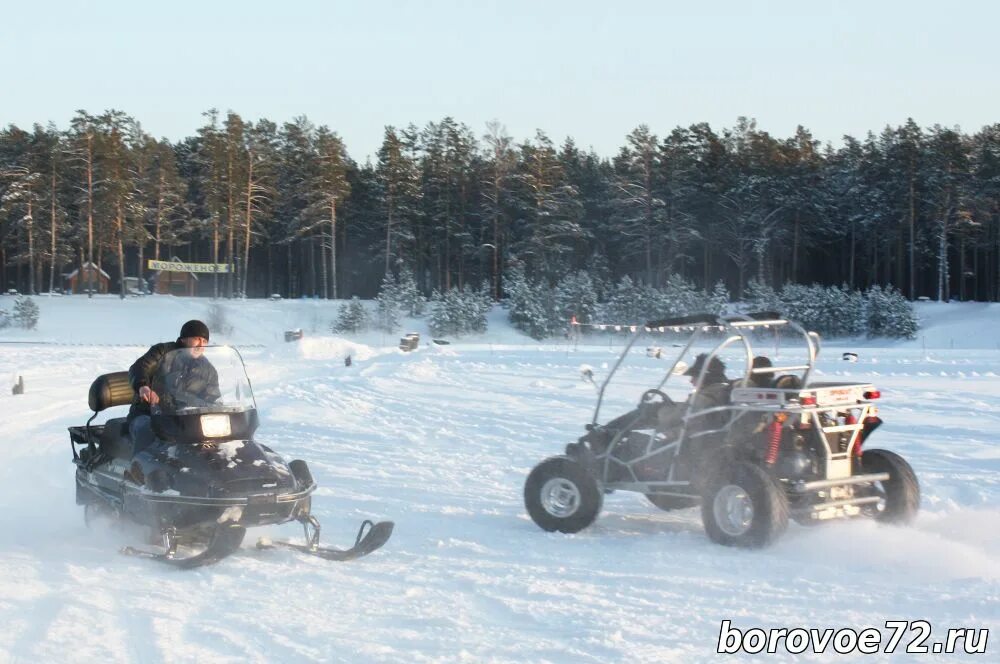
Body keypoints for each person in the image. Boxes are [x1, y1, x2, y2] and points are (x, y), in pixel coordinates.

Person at [127, 319, 220, 455]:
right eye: (196, 339)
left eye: (205, 341)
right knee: (145, 428)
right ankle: (137, 472)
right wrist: (143, 386)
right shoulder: (162, 352)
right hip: (149, 413)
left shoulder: (208, 370)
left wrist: (217, 410)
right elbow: (140, 367)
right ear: (184, 339)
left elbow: (212, 397)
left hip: (185, 418)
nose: (201, 344)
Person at [657, 353, 731, 433]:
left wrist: (659, 410)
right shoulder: (724, 393)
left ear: (705, 378)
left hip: (688, 442)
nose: (691, 381)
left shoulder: (703, 398)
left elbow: (673, 419)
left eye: (695, 377)